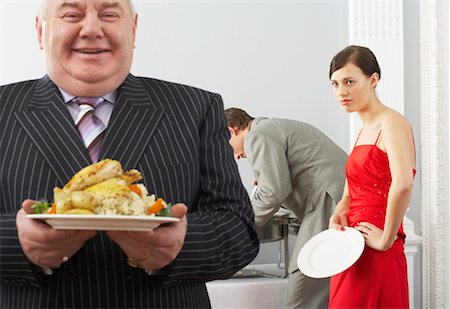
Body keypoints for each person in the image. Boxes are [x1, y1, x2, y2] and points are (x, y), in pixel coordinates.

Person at [0, 1, 259, 308]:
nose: (92, 29)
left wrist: (180, 245)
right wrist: (17, 244)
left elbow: (239, 231)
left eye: (109, 14)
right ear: (41, 30)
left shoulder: (195, 108)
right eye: (72, 15)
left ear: (133, 29)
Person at [225, 107, 348, 309]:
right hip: (333, 197)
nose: (234, 156)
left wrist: (241, 228)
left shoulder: (258, 136)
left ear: (232, 130)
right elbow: (279, 186)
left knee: (305, 276)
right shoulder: (271, 128)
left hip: (329, 200)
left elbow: (274, 192)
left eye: (225, 146)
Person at [328, 45, 416, 308]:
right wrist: (338, 213)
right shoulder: (363, 130)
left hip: (378, 247)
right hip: (352, 245)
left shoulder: (392, 123)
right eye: (335, 84)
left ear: (373, 80)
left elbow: (403, 183)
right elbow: (349, 192)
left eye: (350, 82)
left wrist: (386, 237)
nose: (341, 92)